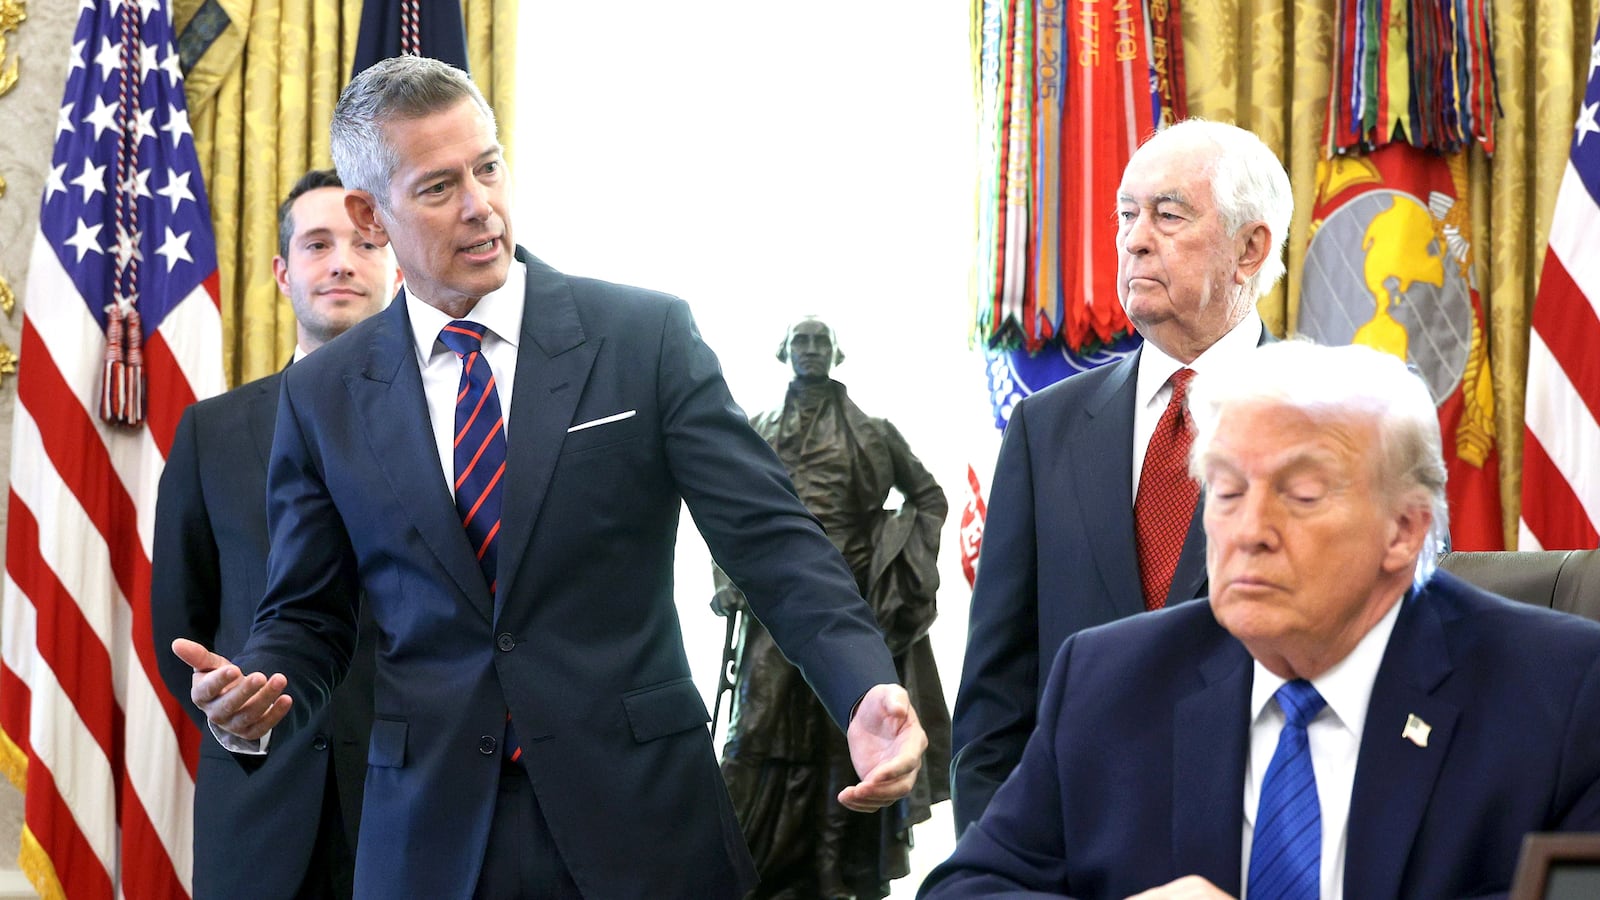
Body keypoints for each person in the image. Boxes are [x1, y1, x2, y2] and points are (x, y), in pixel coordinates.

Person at [168, 55, 926, 900]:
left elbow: (773, 542)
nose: (481, 205)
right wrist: (258, 684)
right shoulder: (323, 395)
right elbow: (308, 615)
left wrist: (862, 682)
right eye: (438, 187)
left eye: (488, 167)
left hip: (645, 828)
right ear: (368, 212)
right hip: (428, 842)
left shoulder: (645, 336)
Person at [920, 340, 1600, 899]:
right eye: (1226, 490)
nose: (1249, 531)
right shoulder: (1109, 681)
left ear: (1402, 530)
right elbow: (968, 888)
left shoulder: (1561, 693)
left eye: (1300, 495)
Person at [950, 119, 1293, 832]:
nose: (1135, 239)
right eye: (1126, 216)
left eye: (1168, 215)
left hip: (1265, 849)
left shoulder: (1337, 423)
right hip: (1073, 853)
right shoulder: (1044, 429)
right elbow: (995, 702)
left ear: (1250, 248)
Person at [150, 169, 401, 899]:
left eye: (364, 241)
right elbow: (181, 623)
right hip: (258, 808)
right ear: (284, 272)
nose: (343, 262)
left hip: (415, 802)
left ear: (392, 262)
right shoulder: (211, 432)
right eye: (318, 244)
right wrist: (238, 712)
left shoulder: (454, 423)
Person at [713, 317, 951, 900]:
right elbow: (723, 509)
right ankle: (744, 867)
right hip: (773, 603)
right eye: (802, 341)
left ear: (836, 353)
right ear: (784, 352)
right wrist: (727, 580)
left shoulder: (871, 430)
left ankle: (830, 870)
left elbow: (928, 497)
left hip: (849, 608)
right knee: (756, 732)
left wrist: (898, 564)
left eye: (821, 342)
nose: (812, 351)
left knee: (839, 741)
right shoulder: (756, 427)